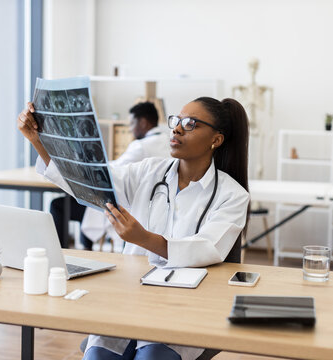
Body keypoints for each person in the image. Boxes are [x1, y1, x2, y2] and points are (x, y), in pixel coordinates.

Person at [17, 96, 250, 360]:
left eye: (190, 124)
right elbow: (91, 180)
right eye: (176, 121)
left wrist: (144, 239)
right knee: (97, 357)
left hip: (184, 307)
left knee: (149, 357)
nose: (176, 129)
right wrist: (38, 141)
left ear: (216, 140)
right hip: (130, 298)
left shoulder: (232, 195)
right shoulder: (149, 172)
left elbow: (209, 248)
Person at [49, 101, 170, 249]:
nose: (130, 129)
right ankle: (86, 248)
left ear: (143, 123)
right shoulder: (166, 140)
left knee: (67, 204)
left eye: (132, 123)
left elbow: (113, 169)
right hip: (153, 205)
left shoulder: (141, 146)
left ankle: (68, 251)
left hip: (128, 205)